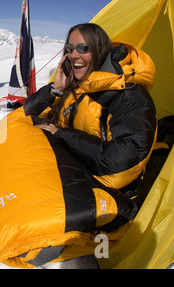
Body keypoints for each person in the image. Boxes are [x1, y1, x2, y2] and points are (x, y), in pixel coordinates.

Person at [23, 23, 157, 190]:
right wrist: (55, 90)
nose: (73, 55)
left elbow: (122, 161)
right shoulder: (76, 87)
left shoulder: (129, 95)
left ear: (100, 50)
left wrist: (60, 134)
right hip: (68, 176)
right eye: (70, 48)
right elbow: (26, 115)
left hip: (109, 194)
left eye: (83, 48)